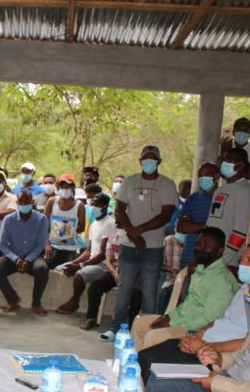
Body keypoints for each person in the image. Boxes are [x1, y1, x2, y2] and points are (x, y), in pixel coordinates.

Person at [138, 243, 250, 383]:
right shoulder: (244, 289)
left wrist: (205, 347)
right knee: (142, 358)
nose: (242, 264)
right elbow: (222, 319)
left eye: (249, 261)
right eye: (242, 259)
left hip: (215, 355)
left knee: (154, 373)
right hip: (203, 342)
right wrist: (197, 334)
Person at [101, 145, 177, 342]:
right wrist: (133, 235)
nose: (149, 161)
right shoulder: (130, 181)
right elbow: (119, 210)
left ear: (159, 161)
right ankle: (115, 328)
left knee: (150, 291)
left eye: (153, 158)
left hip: (152, 247)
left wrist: (139, 231)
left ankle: (148, 331)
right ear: (140, 160)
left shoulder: (168, 184)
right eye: (146, 158)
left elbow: (166, 215)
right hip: (128, 244)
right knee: (123, 288)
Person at [132, 228, 238, 350]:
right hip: (183, 321)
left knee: (154, 336)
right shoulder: (202, 269)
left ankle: (146, 367)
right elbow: (189, 301)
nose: (200, 248)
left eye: (207, 245)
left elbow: (210, 319)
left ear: (220, 251)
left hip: (198, 329)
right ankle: (134, 364)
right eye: (198, 244)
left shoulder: (222, 281)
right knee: (140, 323)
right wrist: (169, 316)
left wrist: (172, 323)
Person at [56, 193, 115, 325]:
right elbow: (88, 251)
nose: (92, 207)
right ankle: (74, 299)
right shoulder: (94, 224)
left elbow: (102, 254)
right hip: (93, 261)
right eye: (92, 203)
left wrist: (80, 266)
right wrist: (73, 262)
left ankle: (74, 301)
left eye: (96, 204)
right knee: (67, 267)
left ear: (105, 206)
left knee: (80, 275)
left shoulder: (109, 223)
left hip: (104, 264)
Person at [0, 189, 50, 316]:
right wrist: (16, 259)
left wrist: (28, 259)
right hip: (13, 256)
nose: (24, 203)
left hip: (33, 257)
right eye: (21, 201)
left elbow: (40, 244)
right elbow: (3, 244)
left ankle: (36, 303)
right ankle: (12, 299)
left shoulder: (41, 219)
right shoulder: (8, 219)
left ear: (32, 201)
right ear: (17, 202)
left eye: (27, 201)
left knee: (42, 269)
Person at [206, 148, 250, 270]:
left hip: (227, 260)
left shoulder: (245, 191)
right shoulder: (220, 189)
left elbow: (241, 229)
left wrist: (225, 258)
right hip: (211, 255)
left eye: (229, 160)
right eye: (224, 159)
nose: (224, 163)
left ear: (240, 166)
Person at [82, 229, 142, 330]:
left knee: (137, 293)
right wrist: (115, 274)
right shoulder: (113, 237)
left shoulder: (137, 240)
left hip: (133, 274)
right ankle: (91, 318)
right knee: (95, 285)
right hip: (115, 272)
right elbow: (108, 261)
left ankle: (132, 326)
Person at [176, 162, 217, 269]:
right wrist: (205, 227)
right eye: (200, 175)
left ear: (216, 176)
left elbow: (219, 230)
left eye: (206, 175)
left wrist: (193, 226)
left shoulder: (223, 197)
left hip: (210, 261)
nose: (203, 179)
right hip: (188, 256)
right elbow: (181, 226)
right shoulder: (193, 198)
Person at [43, 173, 85, 269]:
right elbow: (43, 224)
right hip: (52, 248)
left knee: (66, 274)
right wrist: (47, 243)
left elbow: (81, 227)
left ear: (73, 188)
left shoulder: (79, 206)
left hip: (70, 249)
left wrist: (70, 233)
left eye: (68, 186)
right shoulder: (52, 201)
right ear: (58, 186)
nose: (65, 188)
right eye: (63, 186)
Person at [220, 117, 250, 182]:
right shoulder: (225, 146)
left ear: (249, 134)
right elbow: (218, 171)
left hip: (246, 188)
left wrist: (225, 155)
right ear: (233, 132)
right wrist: (223, 151)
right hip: (225, 188)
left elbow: (249, 175)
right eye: (239, 130)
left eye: (246, 131)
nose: (242, 133)